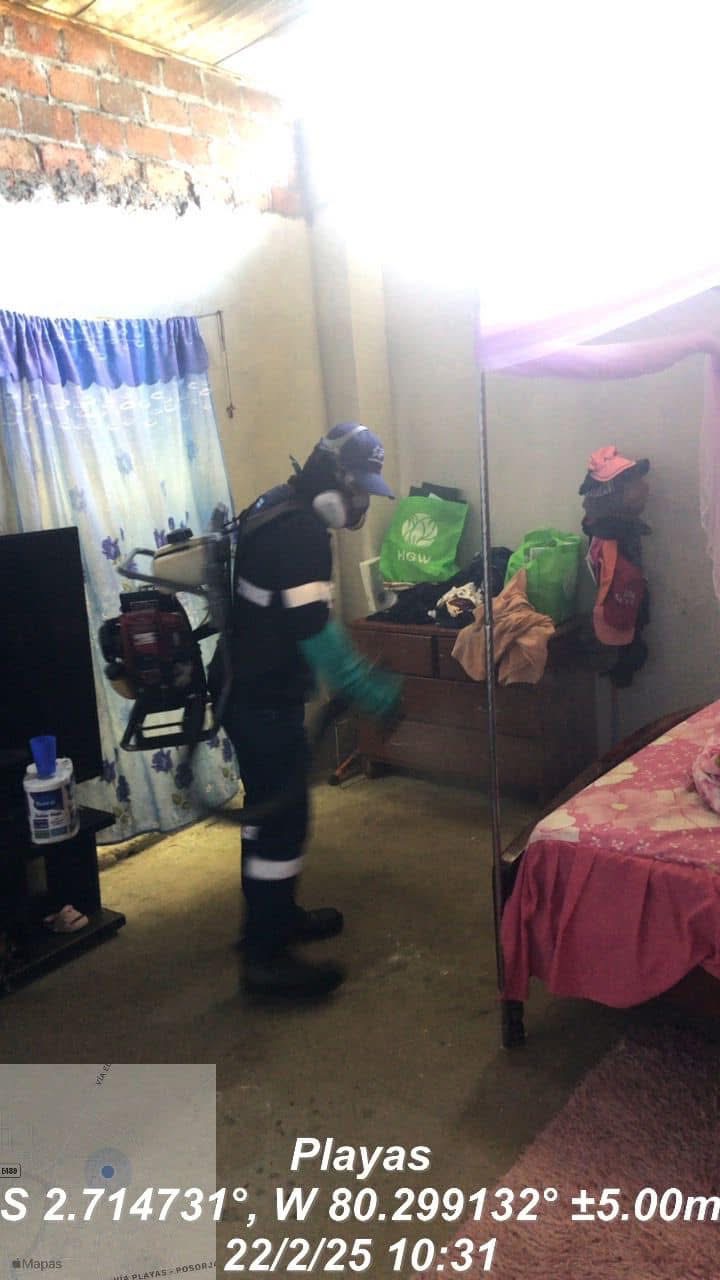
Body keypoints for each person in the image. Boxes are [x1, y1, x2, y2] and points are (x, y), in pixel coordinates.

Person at [211, 423, 403, 998]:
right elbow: (313, 630)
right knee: (282, 822)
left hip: (248, 686)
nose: (361, 503)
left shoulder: (278, 504)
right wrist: (370, 691)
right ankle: (266, 960)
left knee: (267, 815)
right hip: (260, 697)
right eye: (359, 489)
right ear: (335, 479)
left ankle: (273, 919)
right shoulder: (300, 533)